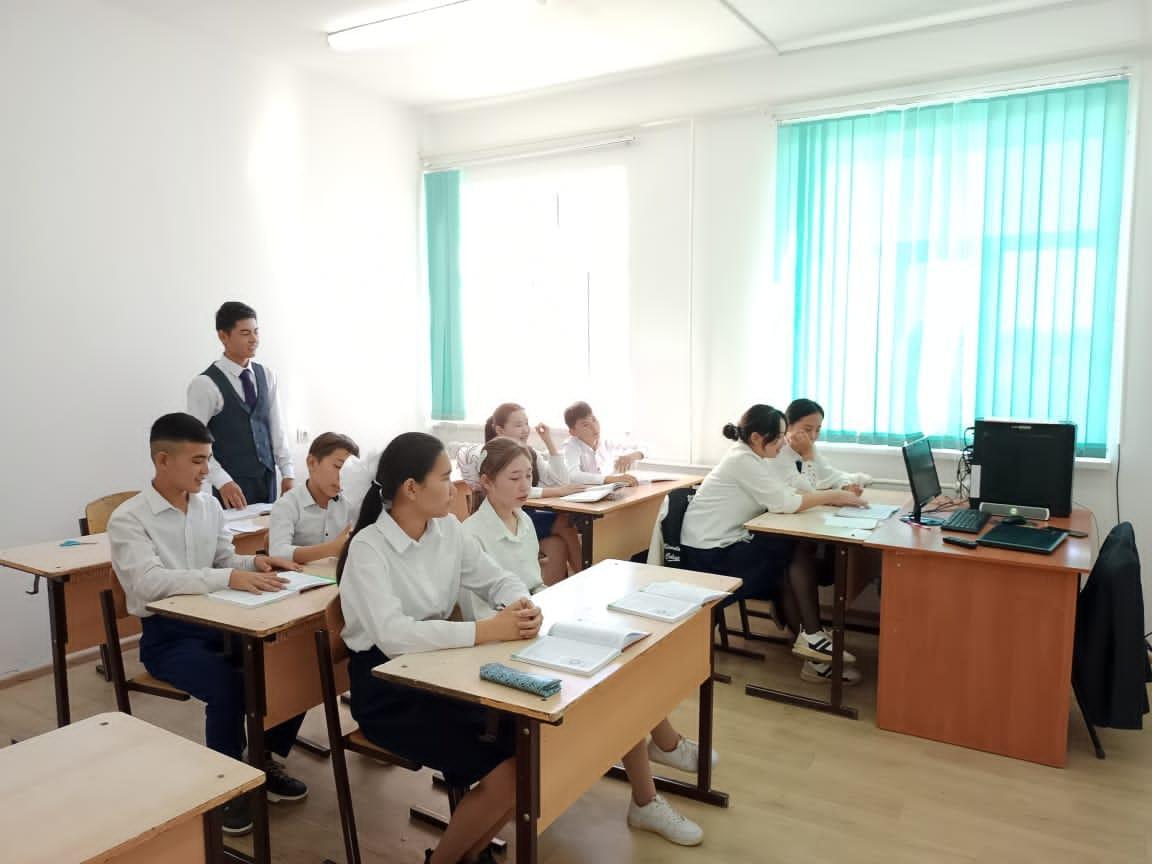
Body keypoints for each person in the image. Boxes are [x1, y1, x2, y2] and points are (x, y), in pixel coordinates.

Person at [339, 433, 704, 863]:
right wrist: (487, 631)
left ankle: (467, 853)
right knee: (514, 771)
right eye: (444, 476)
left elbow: (496, 578)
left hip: (440, 669)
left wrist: (521, 603)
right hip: (389, 690)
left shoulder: (447, 530)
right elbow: (394, 635)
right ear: (411, 488)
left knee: (537, 750)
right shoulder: (369, 548)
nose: (454, 485)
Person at [462, 436, 717, 775]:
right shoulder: (471, 535)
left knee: (622, 662)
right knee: (613, 678)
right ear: (486, 481)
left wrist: (559, 603)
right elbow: (478, 613)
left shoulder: (523, 521)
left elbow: (534, 585)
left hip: (536, 625)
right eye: (514, 477)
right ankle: (660, 756)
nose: (525, 486)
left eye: (528, 476)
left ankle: (658, 757)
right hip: (503, 643)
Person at [108, 412, 308, 836]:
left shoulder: (208, 506)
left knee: (292, 662)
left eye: (208, 459)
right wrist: (228, 576)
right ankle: (225, 788)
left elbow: (222, 560)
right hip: (168, 637)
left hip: (221, 622)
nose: (207, 470)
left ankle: (263, 759)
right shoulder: (130, 518)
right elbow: (148, 584)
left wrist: (256, 562)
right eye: (198, 460)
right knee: (228, 685)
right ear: (163, 460)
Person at [680, 404, 867, 685]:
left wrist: (832, 492)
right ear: (757, 437)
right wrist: (834, 497)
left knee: (788, 557)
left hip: (730, 542)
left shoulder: (755, 458)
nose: (783, 442)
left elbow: (794, 489)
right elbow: (785, 502)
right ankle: (812, 640)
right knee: (790, 552)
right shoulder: (742, 460)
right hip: (710, 555)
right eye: (778, 437)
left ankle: (812, 644)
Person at [457, 402, 583, 579]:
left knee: (557, 544)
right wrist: (556, 492)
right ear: (500, 430)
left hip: (520, 514)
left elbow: (561, 481)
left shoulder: (528, 454)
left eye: (528, 475)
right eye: (518, 425)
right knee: (563, 523)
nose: (525, 430)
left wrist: (548, 441)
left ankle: (581, 580)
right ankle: (584, 575)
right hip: (504, 517)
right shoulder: (487, 457)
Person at [187, 301, 294, 508]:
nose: (254, 339)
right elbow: (194, 443)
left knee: (269, 528)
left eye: (256, 332)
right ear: (223, 336)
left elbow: (277, 429)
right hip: (230, 487)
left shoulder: (267, 375)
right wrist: (222, 481)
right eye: (245, 333)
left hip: (267, 480)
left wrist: (287, 472)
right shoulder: (205, 384)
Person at [269, 432, 360, 564]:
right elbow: (277, 553)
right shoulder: (287, 504)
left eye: (348, 471)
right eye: (338, 467)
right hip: (300, 575)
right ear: (312, 463)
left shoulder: (352, 503)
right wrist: (331, 549)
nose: (342, 477)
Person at [775, 399, 872, 494]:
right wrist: (808, 455)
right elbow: (806, 491)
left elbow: (829, 475)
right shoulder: (777, 450)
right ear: (788, 425)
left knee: (853, 479)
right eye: (807, 429)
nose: (813, 436)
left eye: (817, 430)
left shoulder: (808, 446)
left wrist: (845, 486)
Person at [561, 400, 643, 486]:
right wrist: (611, 479)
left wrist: (632, 456)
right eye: (586, 425)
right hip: (585, 492)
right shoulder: (570, 446)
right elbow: (573, 475)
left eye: (594, 420)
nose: (594, 427)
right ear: (573, 432)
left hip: (609, 489)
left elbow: (646, 447)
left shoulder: (607, 440)